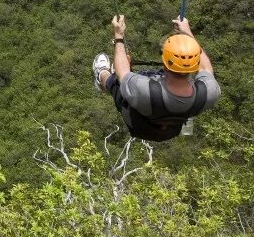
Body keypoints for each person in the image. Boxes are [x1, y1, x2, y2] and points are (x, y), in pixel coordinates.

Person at [92, 14, 220, 142]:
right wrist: (187, 33)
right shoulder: (208, 93)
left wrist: (118, 36)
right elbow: (206, 69)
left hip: (138, 124)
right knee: (145, 79)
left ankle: (101, 75)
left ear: (165, 62)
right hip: (170, 131)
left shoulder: (144, 90)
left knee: (117, 83)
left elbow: (122, 73)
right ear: (195, 63)